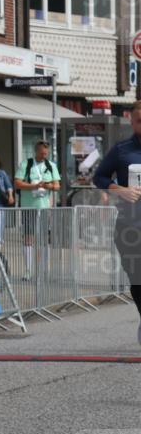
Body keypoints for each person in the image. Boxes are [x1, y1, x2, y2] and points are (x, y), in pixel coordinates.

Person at [93, 100, 141, 344]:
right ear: (132, 122)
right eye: (139, 120)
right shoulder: (122, 150)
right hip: (130, 227)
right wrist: (119, 190)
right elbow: (99, 177)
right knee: (137, 279)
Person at [14, 141, 60, 279]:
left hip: (45, 208)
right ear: (36, 151)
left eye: (46, 153)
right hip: (29, 207)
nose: (44, 155)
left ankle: (45, 270)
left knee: (44, 239)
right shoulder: (26, 164)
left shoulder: (51, 166)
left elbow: (57, 185)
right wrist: (33, 186)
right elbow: (17, 182)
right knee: (28, 238)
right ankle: (28, 271)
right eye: (41, 153)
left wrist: (48, 186)